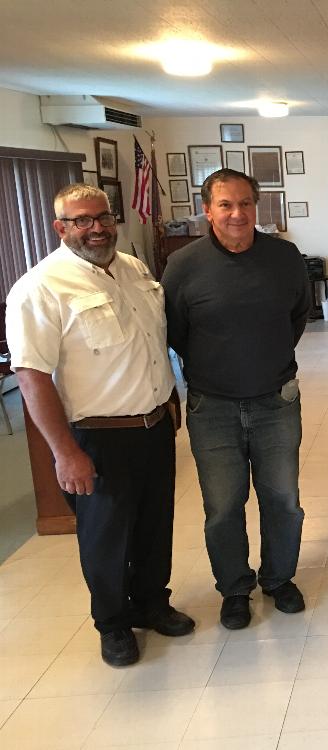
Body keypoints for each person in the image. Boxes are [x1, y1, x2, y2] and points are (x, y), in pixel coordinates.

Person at [6, 185, 193, 666]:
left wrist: (171, 404)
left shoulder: (134, 269)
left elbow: (152, 346)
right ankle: (113, 624)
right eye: (82, 220)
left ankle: (151, 602)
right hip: (97, 437)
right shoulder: (40, 287)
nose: (96, 228)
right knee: (106, 537)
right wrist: (65, 453)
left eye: (103, 217)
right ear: (61, 228)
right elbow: (31, 376)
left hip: (153, 426)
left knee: (155, 525)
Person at [162, 169, 311, 629]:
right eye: (226, 204)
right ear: (207, 210)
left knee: (283, 499)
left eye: (245, 203)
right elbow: (175, 332)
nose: (237, 213)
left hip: (275, 401)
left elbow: (298, 317)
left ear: (256, 206)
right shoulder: (183, 265)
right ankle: (234, 588)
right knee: (223, 506)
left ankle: (279, 579)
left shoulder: (284, 257)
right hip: (213, 407)